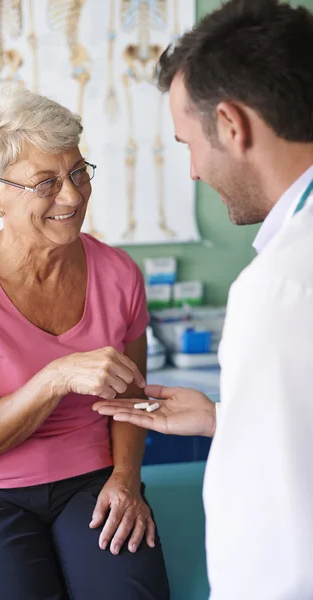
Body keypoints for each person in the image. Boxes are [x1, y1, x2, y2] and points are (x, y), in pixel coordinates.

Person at [94, 0, 313, 598]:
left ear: (232, 125)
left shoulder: (280, 287)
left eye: (188, 142)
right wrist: (227, 419)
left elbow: (281, 546)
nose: (192, 171)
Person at [0, 90, 169, 600]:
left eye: (78, 171)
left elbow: (133, 400)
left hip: (94, 480)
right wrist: (57, 376)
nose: (73, 197)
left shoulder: (119, 273)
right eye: (46, 183)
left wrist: (125, 478)